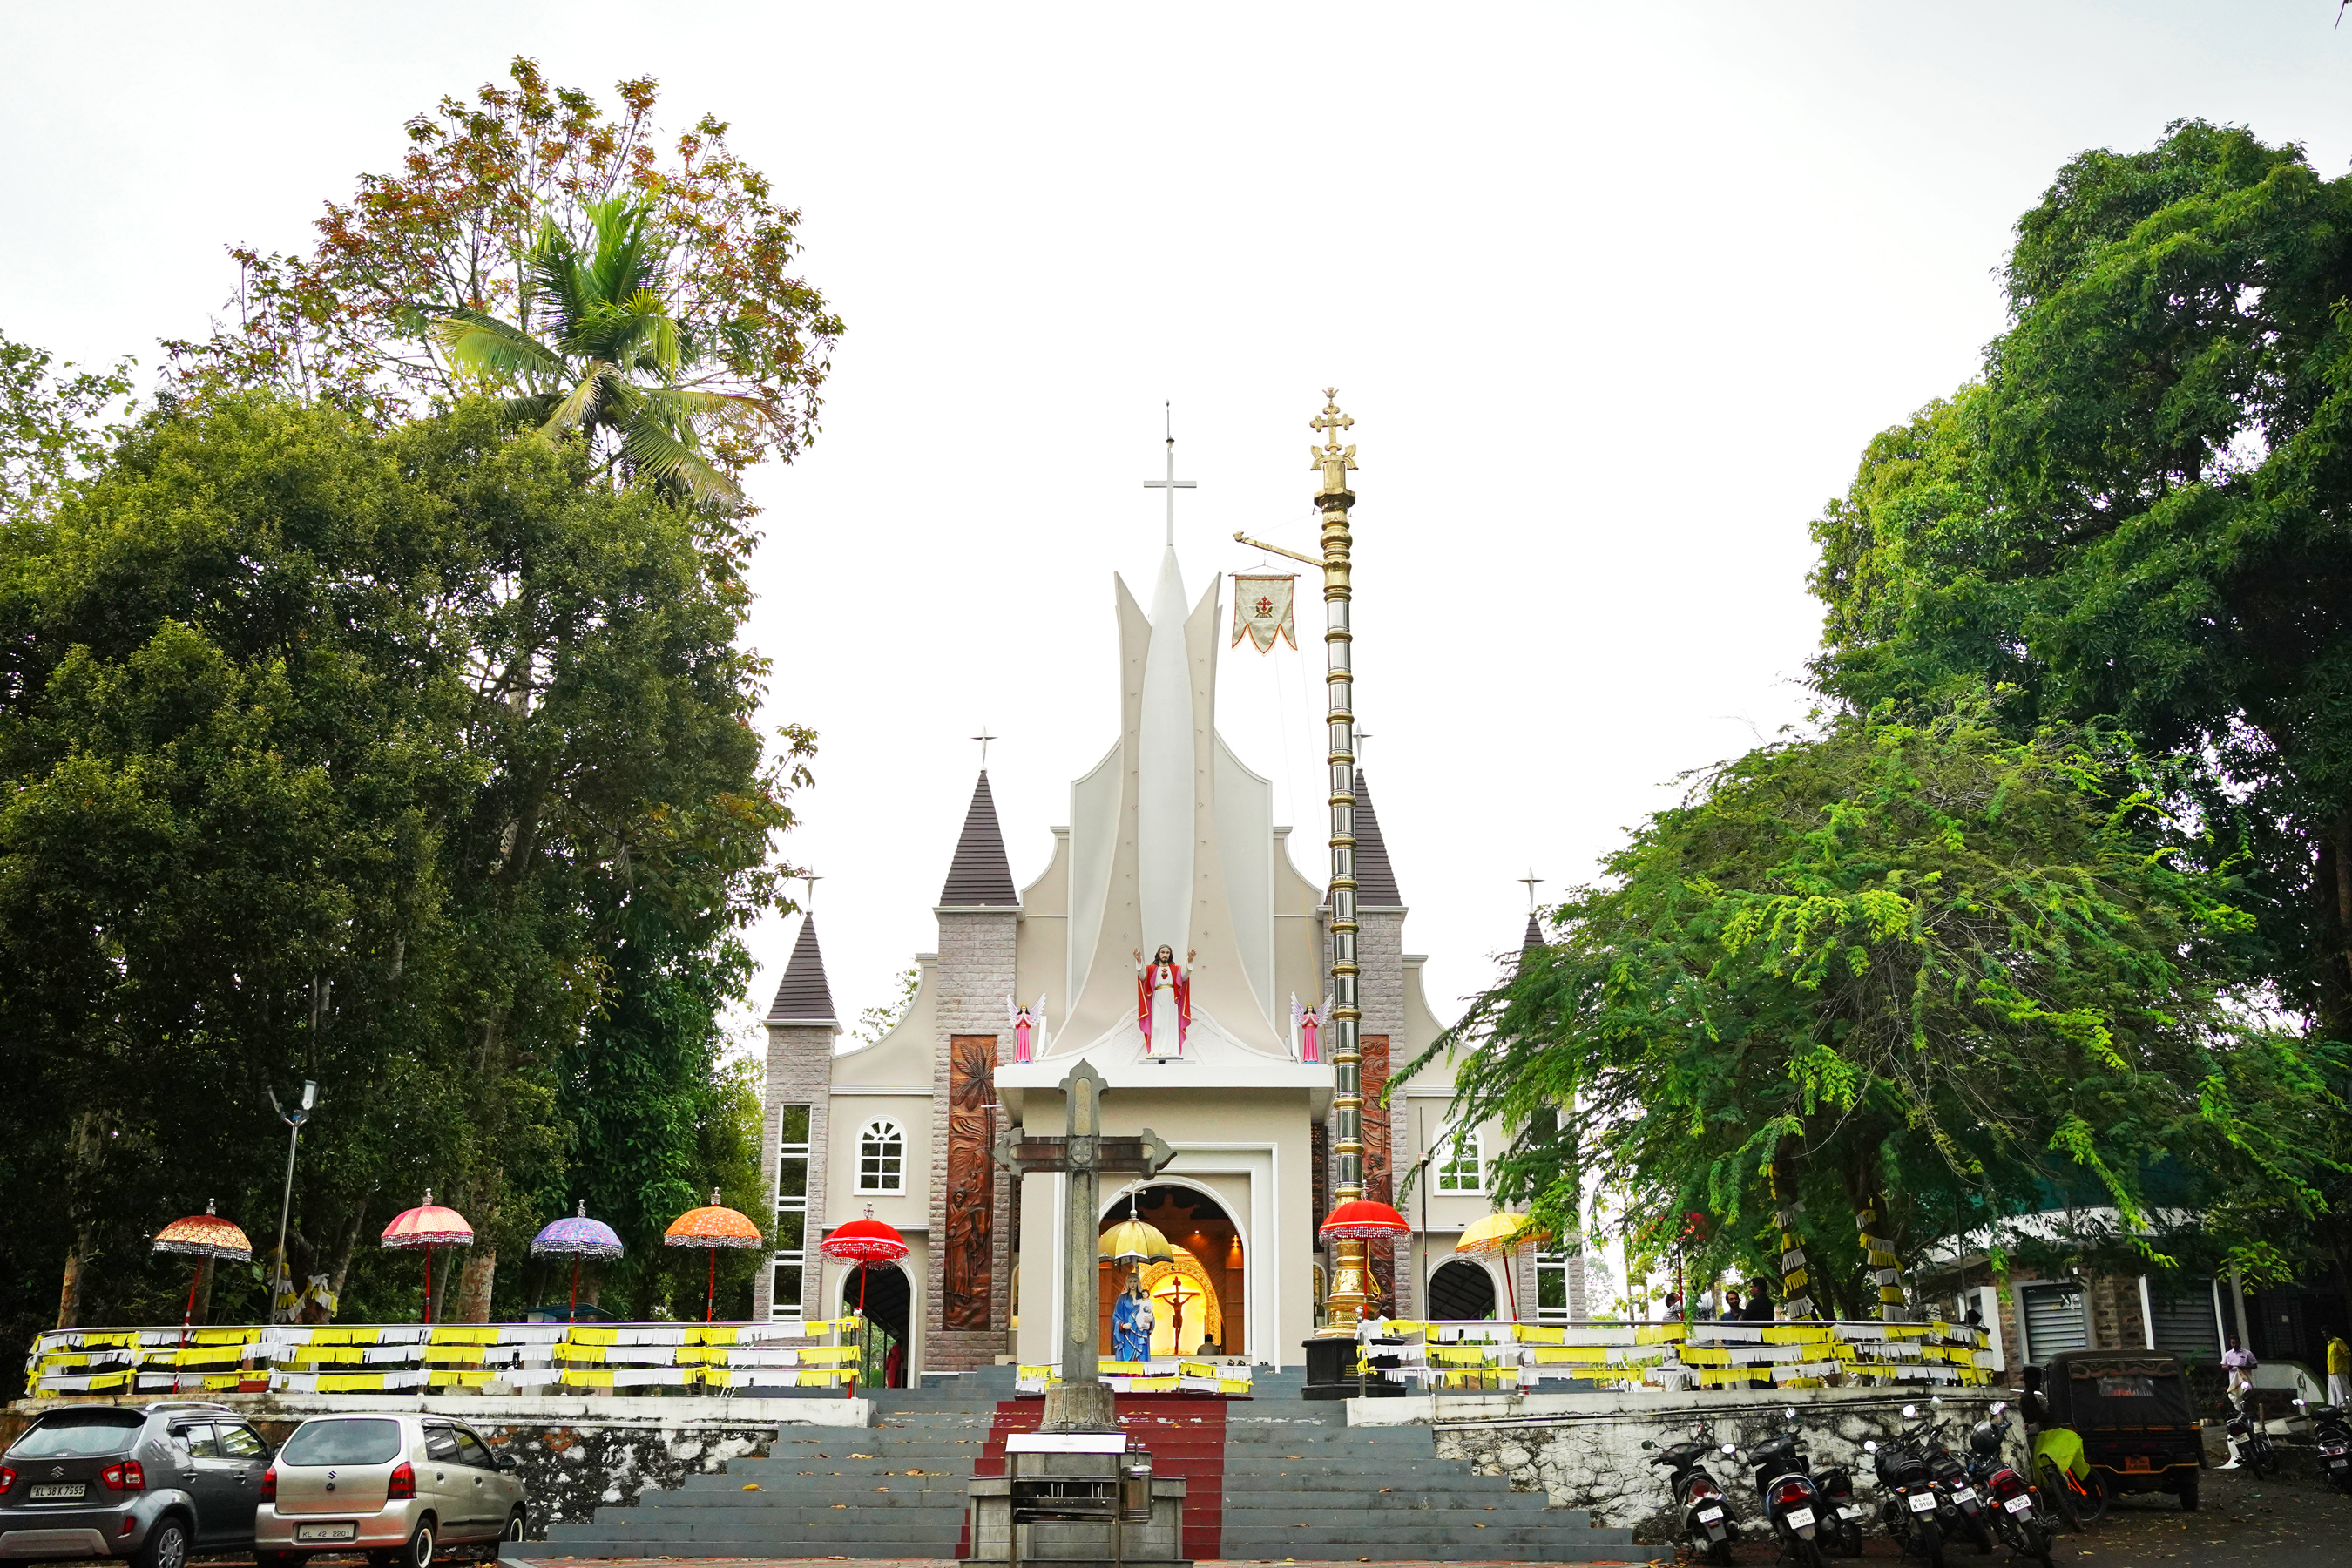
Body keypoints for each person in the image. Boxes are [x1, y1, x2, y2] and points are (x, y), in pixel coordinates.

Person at [2221, 1335, 2257, 1415]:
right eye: (2233, 1343)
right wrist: (2228, 1367)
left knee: (2246, 1388)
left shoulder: (2247, 1353)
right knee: (2233, 1396)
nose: (2234, 1345)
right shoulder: (2228, 1354)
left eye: (2236, 1343)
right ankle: (2240, 1411)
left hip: (2244, 1377)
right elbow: (2223, 1366)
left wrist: (2244, 1367)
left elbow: (2254, 1365)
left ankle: (2248, 1398)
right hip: (2233, 1380)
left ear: (2240, 1343)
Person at [2328, 1331, 2349, 1409]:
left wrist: (2346, 1365)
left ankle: (2346, 1405)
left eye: (2326, 1333)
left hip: (2340, 1369)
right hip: (2332, 1371)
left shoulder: (2338, 1341)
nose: (2325, 1335)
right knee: (2333, 1390)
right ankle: (2335, 1407)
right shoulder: (2329, 1344)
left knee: (2344, 1388)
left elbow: (2347, 1354)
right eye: (2323, 1334)